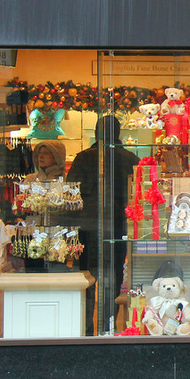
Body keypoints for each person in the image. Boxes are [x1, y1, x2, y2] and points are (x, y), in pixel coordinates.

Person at [65, 115, 140, 335]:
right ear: (117, 132)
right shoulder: (130, 158)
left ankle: (87, 327)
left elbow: (71, 196)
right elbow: (137, 195)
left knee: (86, 277)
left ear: (97, 132)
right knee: (113, 275)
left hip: (86, 227)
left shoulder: (83, 158)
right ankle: (108, 326)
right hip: (118, 226)